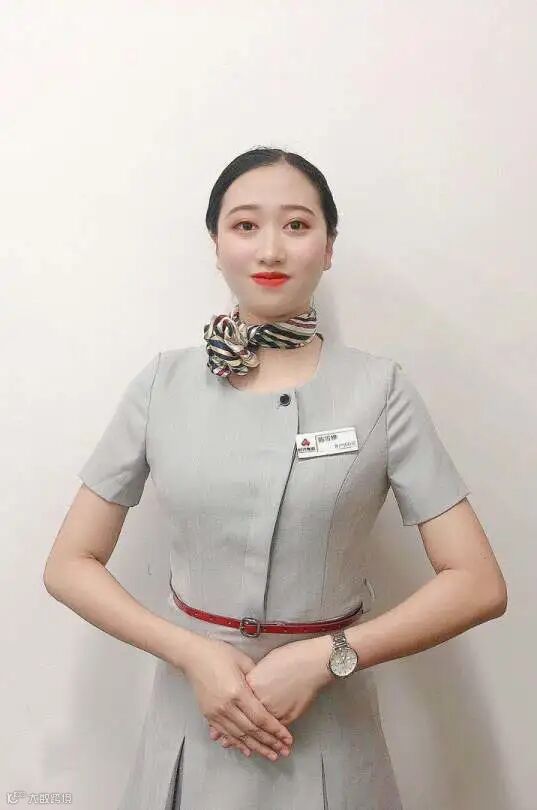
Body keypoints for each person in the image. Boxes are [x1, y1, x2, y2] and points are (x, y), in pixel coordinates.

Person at [44, 146, 508, 810]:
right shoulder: (162, 384)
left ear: (328, 247)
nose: (270, 249)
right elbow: (68, 564)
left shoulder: (380, 391)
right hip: (192, 723)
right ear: (216, 245)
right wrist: (192, 654)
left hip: (331, 732)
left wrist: (328, 656)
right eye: (245, 225)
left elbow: (477, 583)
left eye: (296, 225)